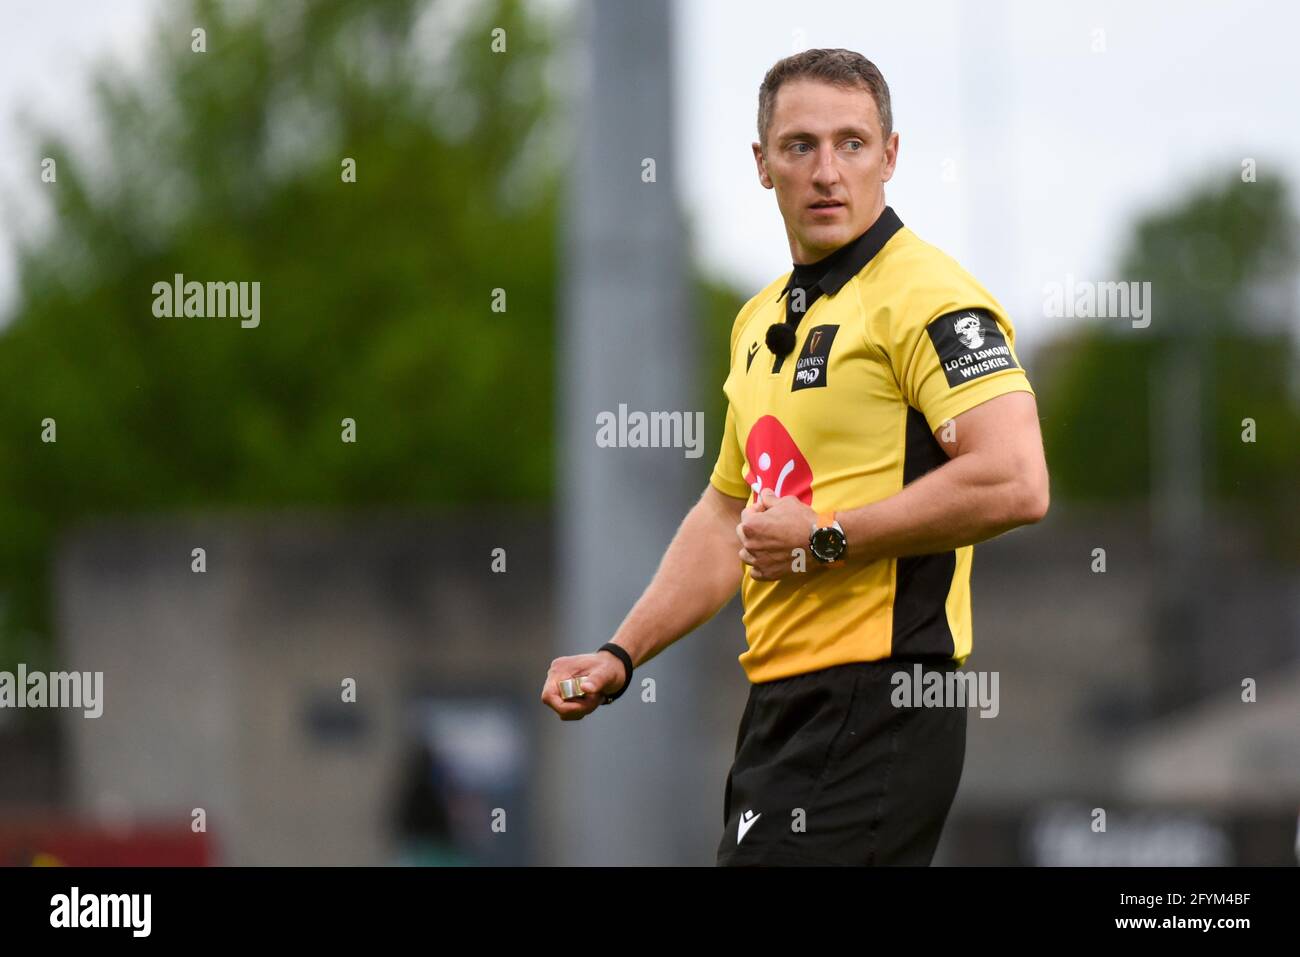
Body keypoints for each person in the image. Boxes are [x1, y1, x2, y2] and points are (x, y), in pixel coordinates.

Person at [541, 48, 1049, 866]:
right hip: (781, 708)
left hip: (883, 698)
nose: (826, 171)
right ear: (761, 163)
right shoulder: (758, 322)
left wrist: (827, 538)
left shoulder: (929, 298)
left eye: (851, 143)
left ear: (890, 156)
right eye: (800, 145)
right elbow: (727, 513)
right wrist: (619, 653)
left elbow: (1017, 479)